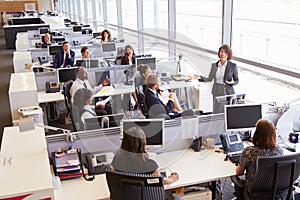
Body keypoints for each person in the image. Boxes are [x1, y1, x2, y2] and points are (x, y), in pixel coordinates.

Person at [111, 126, 179, 185]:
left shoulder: (116, 159)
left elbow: (115, 177)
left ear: (124, 143)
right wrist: (172, 179)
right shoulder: (151, 165)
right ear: (143, 143)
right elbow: (162, 181)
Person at [234, 119, 283, 198]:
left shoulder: (249, 152)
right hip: (273, 192)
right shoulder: (279, 150)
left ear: (256, 134)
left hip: (253, 194)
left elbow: (239, 172)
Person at [194, 44, 239, 113]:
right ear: (219, 53)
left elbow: (236, 80)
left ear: (228, 54)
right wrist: (200, 77)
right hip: (217, 90)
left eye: (225, 52)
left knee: (227, 112)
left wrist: (233, 82)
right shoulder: (214, 65)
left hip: (228, 91)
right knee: (216, 111)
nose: (223, 54)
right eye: (221, 51)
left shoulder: (233, 66)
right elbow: (210, 78)